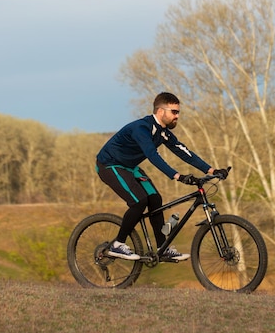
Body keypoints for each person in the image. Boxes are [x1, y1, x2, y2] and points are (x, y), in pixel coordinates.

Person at [95, 92, 228, 261]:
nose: (177, 116)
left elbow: (184, 151)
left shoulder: (163, 132)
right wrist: (177, 176)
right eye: (174, 112)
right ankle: (117, 244)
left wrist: (212, 170)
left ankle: (162, 248)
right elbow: (152, 155)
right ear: (160, 111)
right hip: (109, 164)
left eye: (178, 112)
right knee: (139, 201)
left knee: (155, 199)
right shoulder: (141, 128)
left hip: (130, 167)